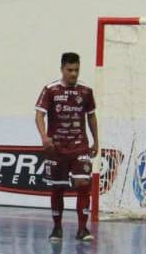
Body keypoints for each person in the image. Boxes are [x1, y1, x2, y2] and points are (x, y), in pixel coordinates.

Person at [35, 52, 98, 243]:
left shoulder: (86, 91)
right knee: (57, 188)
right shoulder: (51, 89)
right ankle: (57, 228)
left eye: (76, 70)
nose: (73, 74)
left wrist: (96, 141)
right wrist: (44, 137)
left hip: (79, 146)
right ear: (62, 69)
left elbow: (91, 116)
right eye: (70, 70)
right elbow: (39, 115)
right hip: (57, 148)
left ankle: (82, 229)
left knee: (83, 185)